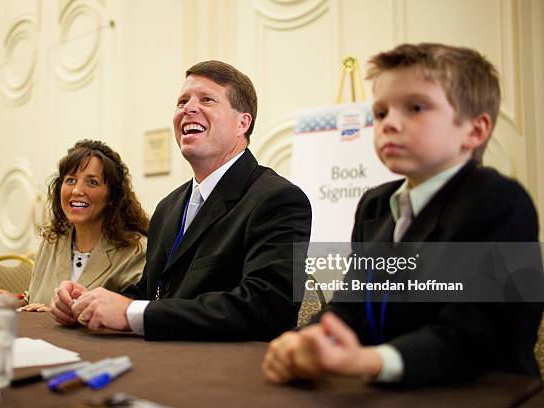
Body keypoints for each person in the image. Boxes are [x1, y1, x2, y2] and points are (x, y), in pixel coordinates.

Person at [262, 43, 543, 386]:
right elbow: (350, 309)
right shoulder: (375, 205)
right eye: (380, 113)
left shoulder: (500, 202)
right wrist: (308, 340)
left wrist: (370, 361)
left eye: (415, 108)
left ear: (475, 130)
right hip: (388, 392)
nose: (389, 124)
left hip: (486, 394)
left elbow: (479, 336)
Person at [50, 60, 312, 340]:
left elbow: (270, 310)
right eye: (182, 101)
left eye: (207, 99)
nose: (188, 109)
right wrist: (89, 303)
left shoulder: (279, 200)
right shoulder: (168, 207)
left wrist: (130, 313)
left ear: (242, 123)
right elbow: (151, 293)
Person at [0, 140, 148, 311]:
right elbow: (36, 297)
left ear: (112, 195)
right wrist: (14, 300)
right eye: (71, 180)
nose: (76, 190)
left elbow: (134, 317)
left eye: (92, 182)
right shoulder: (52, 241)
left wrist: (59, 317)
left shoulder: (136, 251)